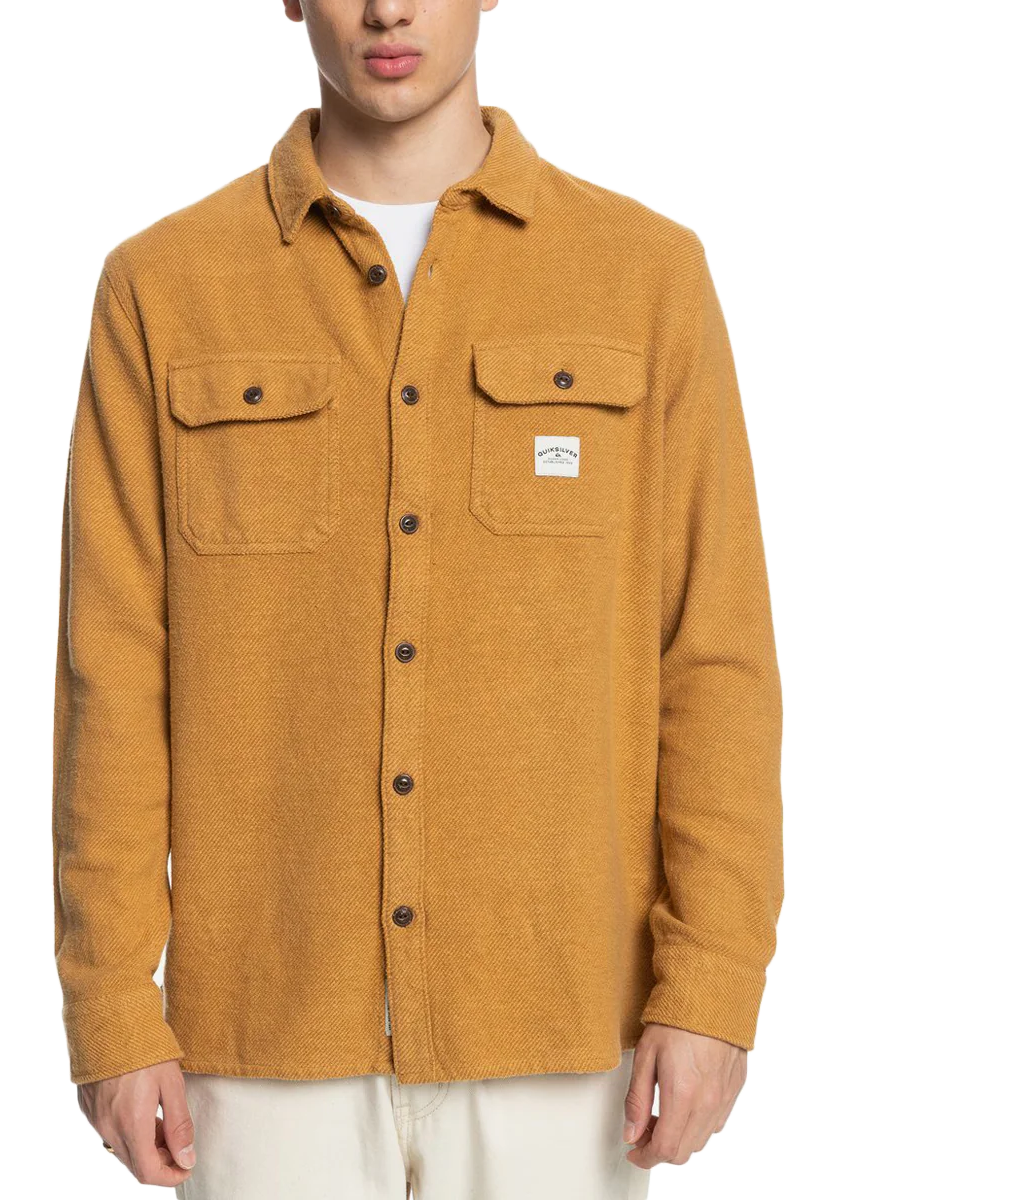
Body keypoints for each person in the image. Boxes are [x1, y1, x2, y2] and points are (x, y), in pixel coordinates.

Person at [51, 1, 786, 1196]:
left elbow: (714, 656)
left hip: (562, 1025)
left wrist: (711, 984)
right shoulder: (164, 289)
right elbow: (113, 676)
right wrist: (112, 1008)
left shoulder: (644, 277)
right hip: (261, 1035)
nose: (388, 9)